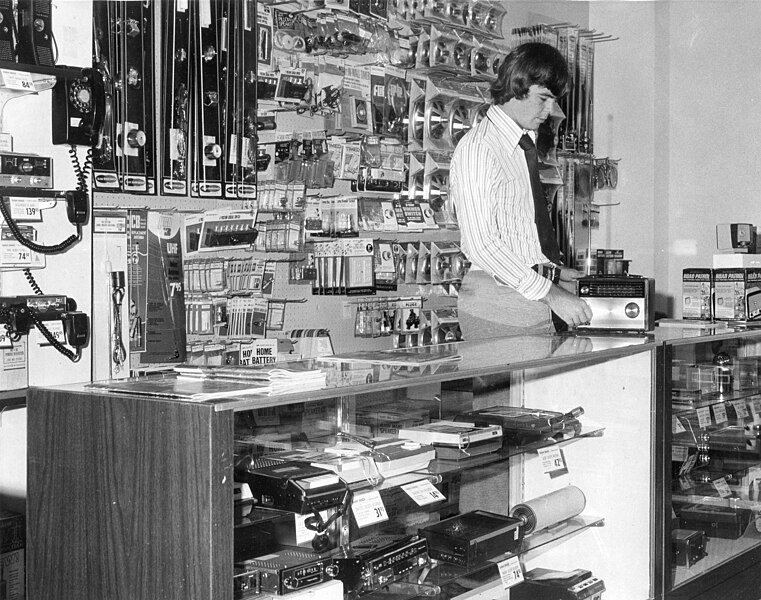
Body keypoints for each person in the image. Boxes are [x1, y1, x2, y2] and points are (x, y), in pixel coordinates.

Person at [450, 42, 593, 338]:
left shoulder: (520, 145)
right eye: (544, 98)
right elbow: (481, 246)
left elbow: (517, 233)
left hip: (525, 298)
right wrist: (552, 294)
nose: (552, 111)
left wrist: (553, 272)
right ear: (518, 86)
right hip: (497, 303)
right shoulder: (480, 148)